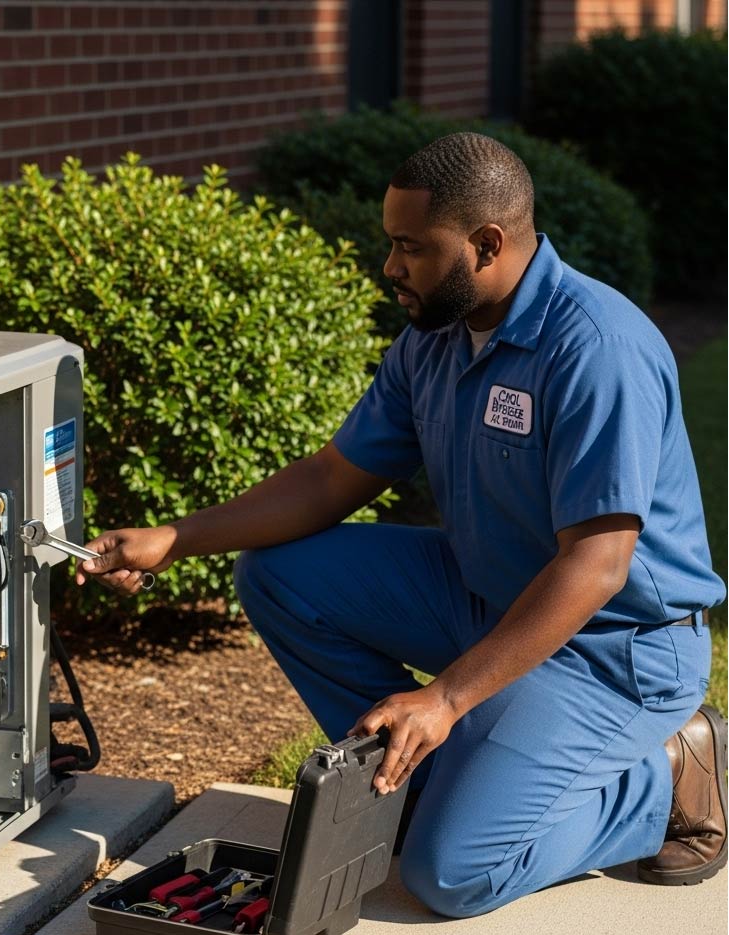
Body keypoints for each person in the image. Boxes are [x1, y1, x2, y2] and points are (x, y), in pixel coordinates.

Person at [75, 133, 727, 917]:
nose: (389, 267)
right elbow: (329, 478)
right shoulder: (435, 339)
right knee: (277, 571)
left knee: (449, 871)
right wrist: (176, 538)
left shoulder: (595, 348)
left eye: (409, 247)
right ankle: (421, 774)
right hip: (486, 596)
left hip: (614, 647)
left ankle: (663, 777)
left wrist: (447, 697)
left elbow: (595, 565)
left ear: (485, 244)